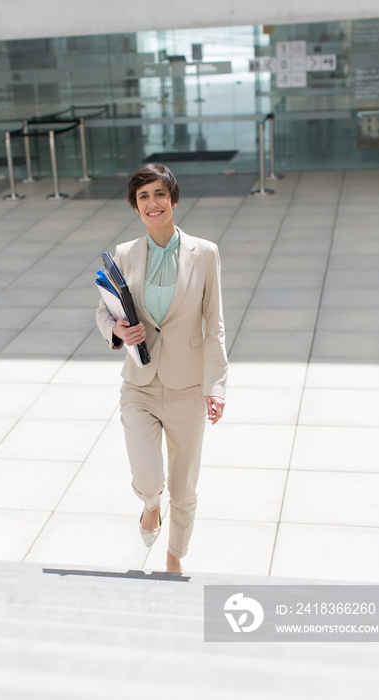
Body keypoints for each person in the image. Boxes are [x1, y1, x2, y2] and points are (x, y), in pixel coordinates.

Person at [96, 163, 228, 573]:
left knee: (184, 486)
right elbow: (103, 311)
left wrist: (216, 386)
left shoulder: (204, 253)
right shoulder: (124, 253)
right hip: (139, 384)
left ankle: (175, 557)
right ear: (135, 208)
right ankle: (150, 504)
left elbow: (214, 324)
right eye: (143, 197)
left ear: (173, 199)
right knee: (150, 477)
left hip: (188, 388)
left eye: (158, 194)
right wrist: (116, 328)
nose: (152, 203)